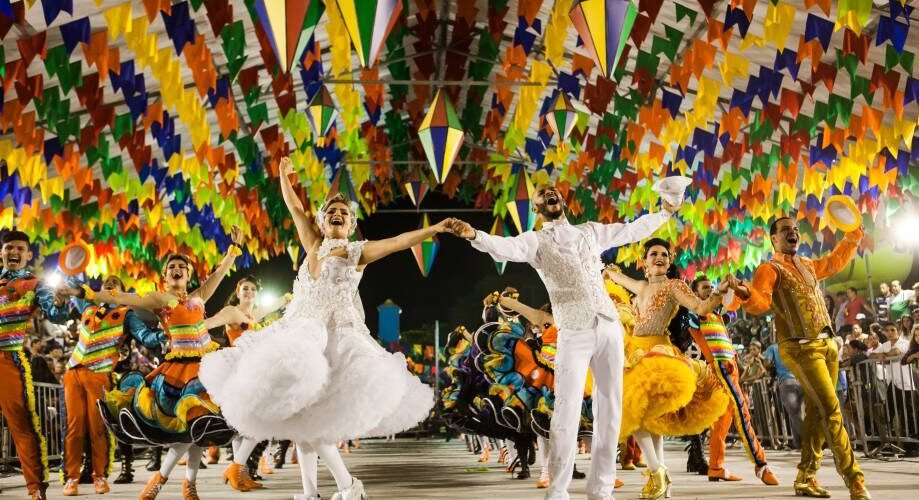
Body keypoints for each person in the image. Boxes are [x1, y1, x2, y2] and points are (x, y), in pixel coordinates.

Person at [200, 157, 436, 500]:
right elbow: (295, 207)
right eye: (330, 212)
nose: (336, 214)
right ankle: (317, 491)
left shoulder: (357, 251)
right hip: (296, 331)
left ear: (351, 223)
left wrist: (435, 229)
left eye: (343, 212)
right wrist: (283, 176)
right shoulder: (312, 243)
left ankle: (347, 486)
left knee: (313, 422)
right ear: (322, 222)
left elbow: (400, 241)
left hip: (331, 343)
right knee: (303, 423)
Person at [450, 181, 677, 500]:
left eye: (552, 190)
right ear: (537, 208)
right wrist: (474, 235)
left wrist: (665, 213)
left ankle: (601, 489)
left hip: (609, 324)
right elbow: (505, 247)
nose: (548, 193)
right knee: (566, 409)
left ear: (563, 200)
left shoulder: (590, 231)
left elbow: (630, 230)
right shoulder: (536, 241)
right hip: (574, 329)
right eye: (541, 194)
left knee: (610, 408)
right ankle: (557, 490)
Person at [58, 230, 244, 500]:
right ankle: (160, 480)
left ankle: (189, 485)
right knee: (187, 432)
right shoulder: (159, 299)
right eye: (172, 268)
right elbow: (120, 298)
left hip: (208, 366)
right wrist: (81, 291)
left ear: (189, 275)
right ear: (165, 277)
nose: (177, 270)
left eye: (182, 267)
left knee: (199, 430)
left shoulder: (199, 296)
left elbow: (218, 274)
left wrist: (234, 247)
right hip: (180, 373)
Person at [733, 216, 870, 499]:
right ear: (773, 239)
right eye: (786, 231)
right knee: (831, 409)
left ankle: (806, 477)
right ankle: (854, 479)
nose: (793, 233)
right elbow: (761, 299)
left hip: (828, 345)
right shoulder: (769, 268)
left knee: (818, 414)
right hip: (800, 348)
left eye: (795, 230)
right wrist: (746, 293)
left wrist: (852, 237)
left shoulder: (807, 265)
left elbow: (833, 263)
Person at [604, 240, 730, 499]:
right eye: (653, 254)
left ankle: (655, 471)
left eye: (664, 254)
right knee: (652, 420)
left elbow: (700, 308)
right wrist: (607, 272)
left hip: (658, 353)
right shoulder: (640, 286)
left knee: (635, 413)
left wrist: (718, 294)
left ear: (669, 261)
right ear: (645, 262)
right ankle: (663, 480)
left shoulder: (675, 286)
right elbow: (617, 277)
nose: (659, 257)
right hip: (633, 353)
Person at [60, 275, 166, 496]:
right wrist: (70, 266)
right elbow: (74, 287)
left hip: (100, 375)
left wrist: (166, 333)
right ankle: (71, 478)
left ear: (122, 291)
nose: (109, 284)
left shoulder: (127, 315)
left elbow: (146, 337)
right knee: (73, 428)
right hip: (73, 372)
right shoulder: (88, 307)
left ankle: (99, 476)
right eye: (107, 282)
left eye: (115, 283)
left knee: (98, 428)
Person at [0, 230, 76, 500]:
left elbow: (56, 313)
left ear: (28, 255)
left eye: (20, 248)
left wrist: (61, 301)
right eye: (9, 247)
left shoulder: (35, 284)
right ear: (1, 252)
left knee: (22, 424)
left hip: (8, 359)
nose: (14, 252)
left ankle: (35, 488)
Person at [685, 276, 777, 485]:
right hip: (721, 367)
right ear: (695, 293)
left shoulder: (717, 315)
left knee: (724, 419)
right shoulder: (695, 313)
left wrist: (736, 286)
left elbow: (735, 303)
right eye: (704, 288)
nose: (709, 290)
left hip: (729, 367)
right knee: (742, 413)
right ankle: (761, 464)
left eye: (711, 287)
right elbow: (703, 313)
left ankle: (716, 467)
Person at [206, 275, 290, 492]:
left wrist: (288, 299)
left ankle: (240, 474)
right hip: (239, 372)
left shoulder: (251, 314)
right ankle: (236, 468)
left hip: (252, 371)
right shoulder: (232, 312)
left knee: (242, 427)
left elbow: (271, 307)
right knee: (259, 424)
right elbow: (206, 324)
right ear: (238, 290)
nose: (249, 292)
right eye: (245, 288)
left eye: (253, 289)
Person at [869, 322, 916, 438]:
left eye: (892, 330)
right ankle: (891, 440)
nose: (889, 333)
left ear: (898, 330)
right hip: (892, 383)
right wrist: (882, 355)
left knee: (908, 413)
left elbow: (896, 352)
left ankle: (912, 441)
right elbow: (871, 356)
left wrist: (883, 355)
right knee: (888, 412)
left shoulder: (905, 343)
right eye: (887, 330)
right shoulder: (885, 344)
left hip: (906, 383)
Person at [763, 337, 804, 449]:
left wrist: (772, 369)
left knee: (794, 414)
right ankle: (798, 443)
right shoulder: (795, 346)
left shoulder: (773, 347)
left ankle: (809, 440)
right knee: (796, 413)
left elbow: (767, 363)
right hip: (802, 380)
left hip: (787, 381)